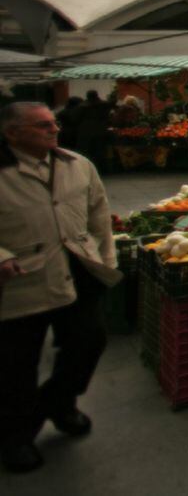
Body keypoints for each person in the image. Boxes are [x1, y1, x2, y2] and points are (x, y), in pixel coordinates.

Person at [0, 102, 119, 474]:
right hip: (22, 280)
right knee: (17, 364)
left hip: (79, 268)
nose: (54, 130)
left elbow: (99, 213)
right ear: (12, 133)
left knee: (89, 340)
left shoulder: (77, 164)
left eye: (53, 123)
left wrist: (107, 260)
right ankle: (16, 437)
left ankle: (59, 402)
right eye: (42, 126)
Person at [74, 90, 110, 171]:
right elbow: (107, 117)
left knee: (86, 151)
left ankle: (86, 167)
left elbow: (75, 119)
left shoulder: (82, 106)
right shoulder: (105, 105)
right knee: (100, 150)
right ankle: (101, 168)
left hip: (85, 131)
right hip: (101, 130)